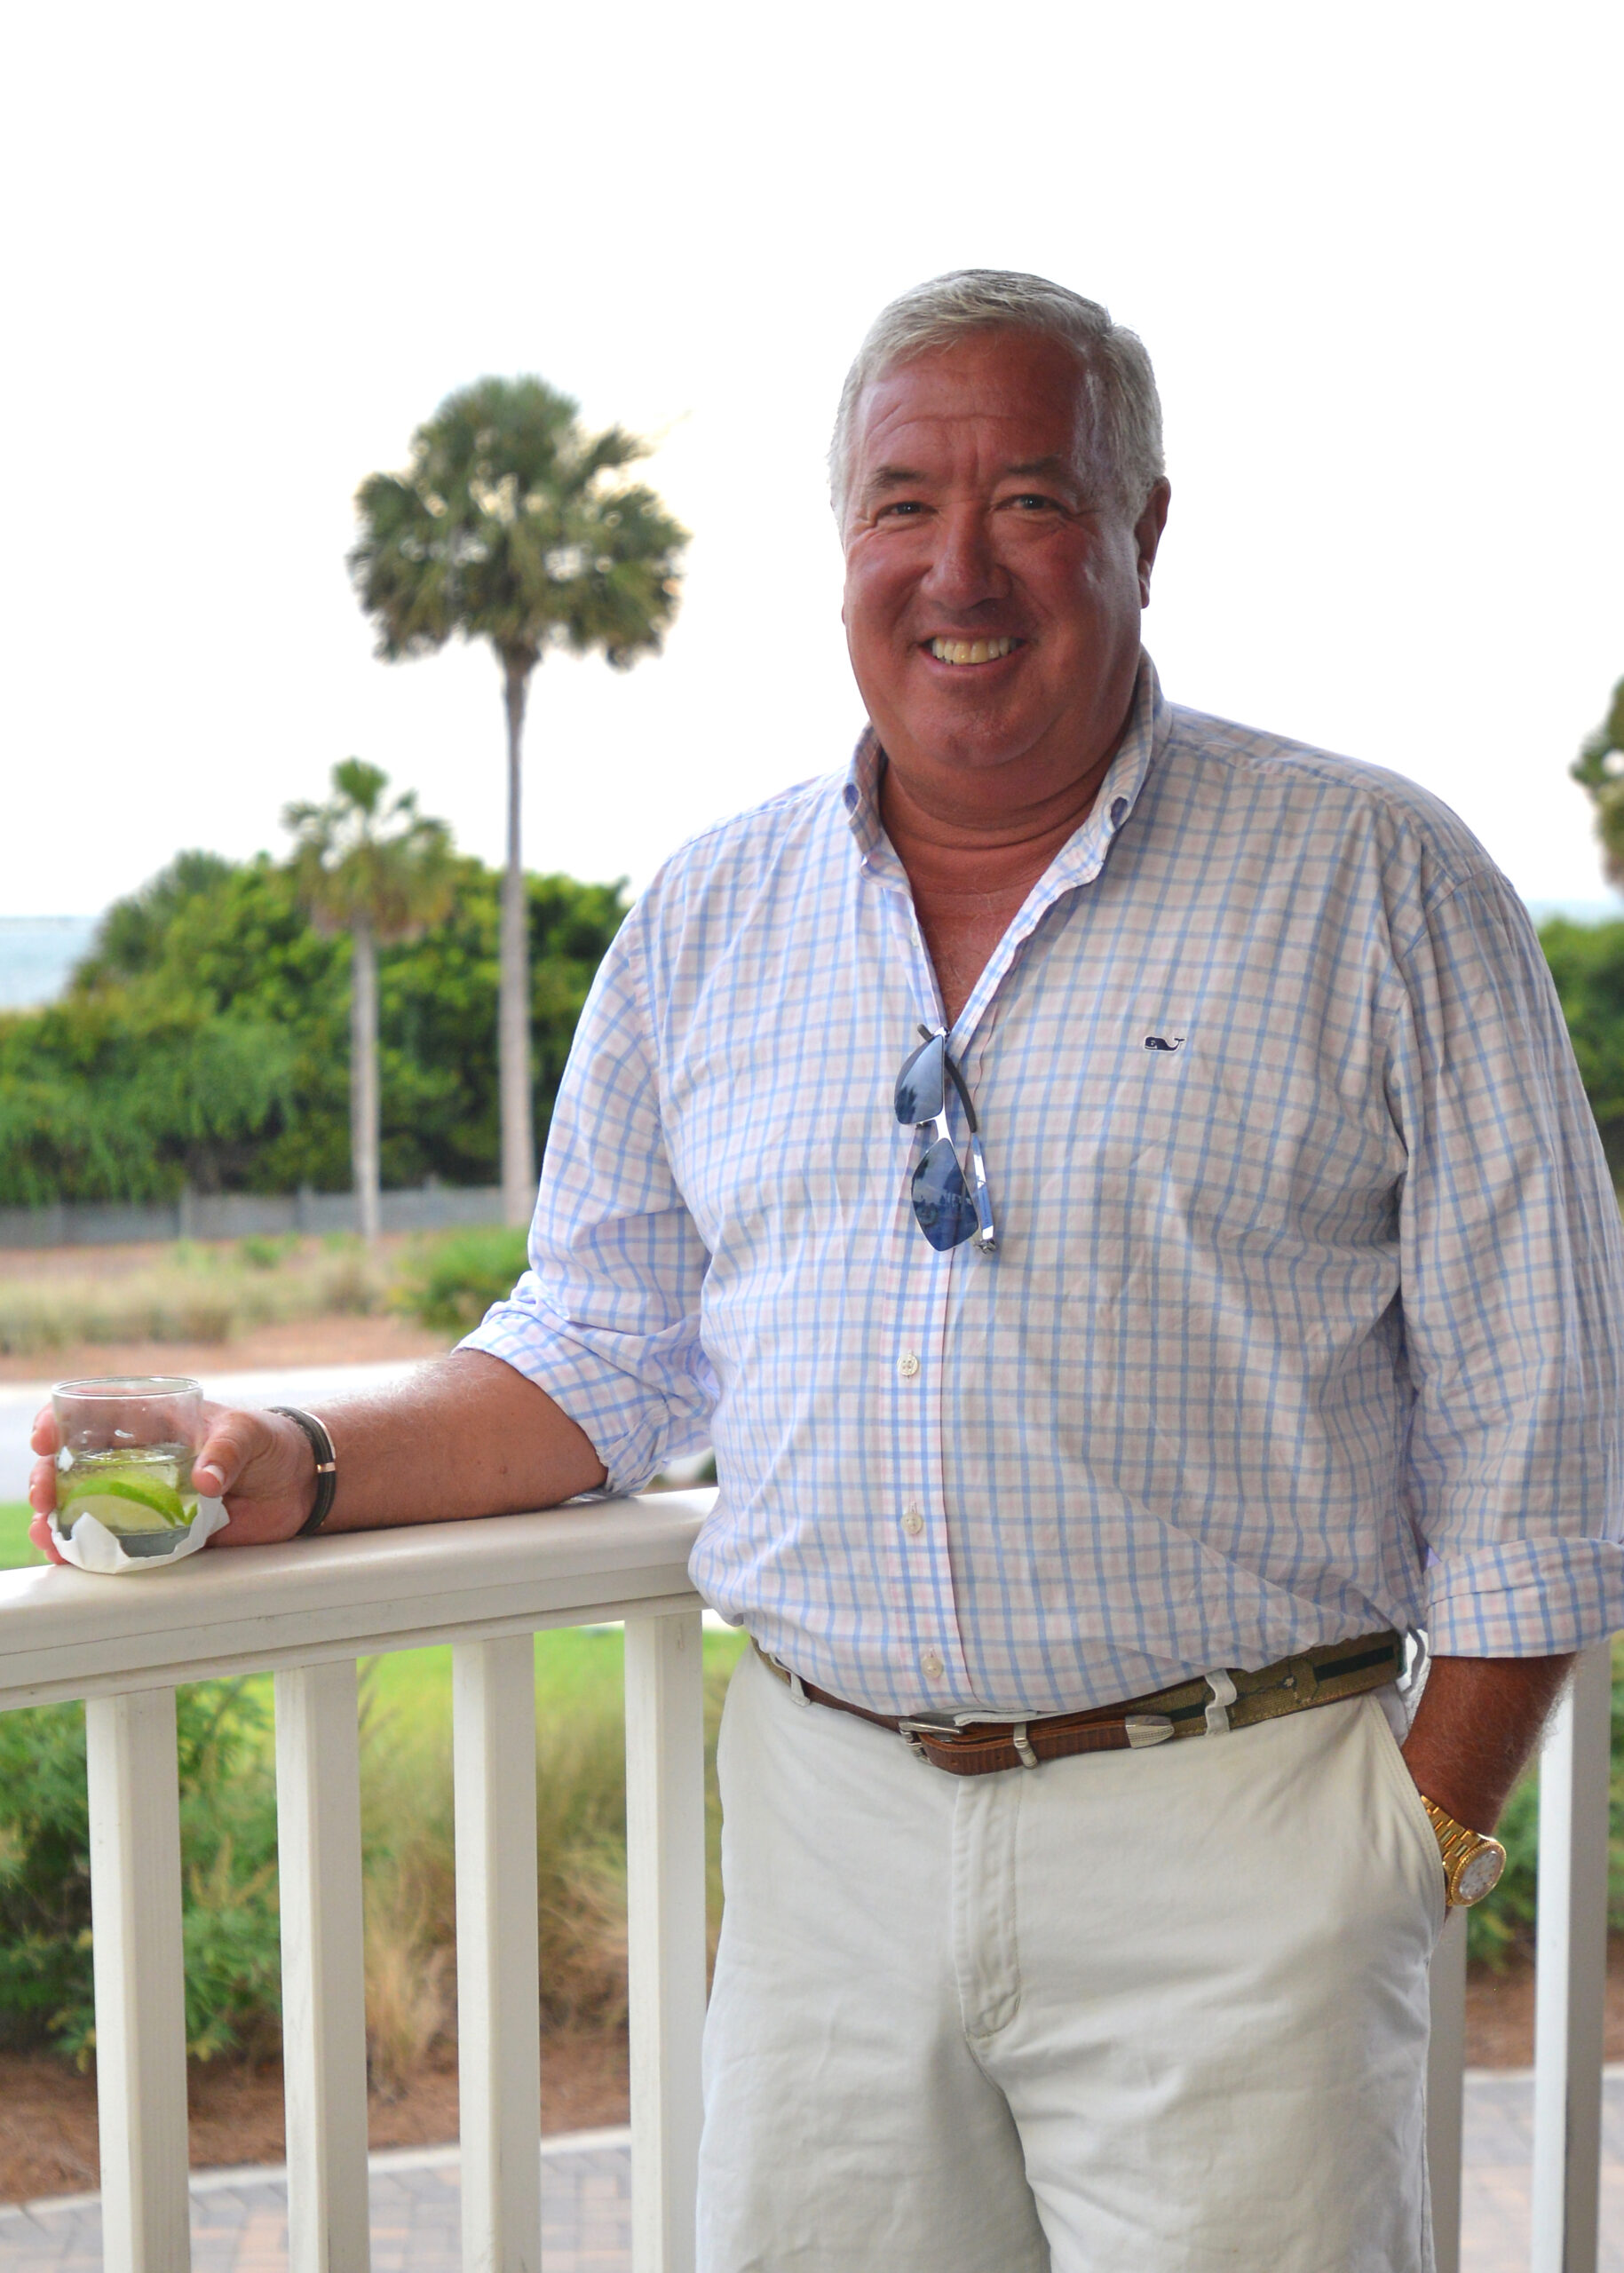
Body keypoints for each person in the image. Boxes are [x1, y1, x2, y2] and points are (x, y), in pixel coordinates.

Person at [31, 271, 1624, 2270]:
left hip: (1244, 1843)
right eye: (900, 505)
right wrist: (286, 1448)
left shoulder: (1375, 880)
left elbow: (1543, 1410)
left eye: (1032, 498)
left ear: (1142, 530)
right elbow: (598, 1347)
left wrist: (1418, 1844)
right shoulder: (709, 914)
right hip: (825, 1847)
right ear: (842, 547)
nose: (960, 565)